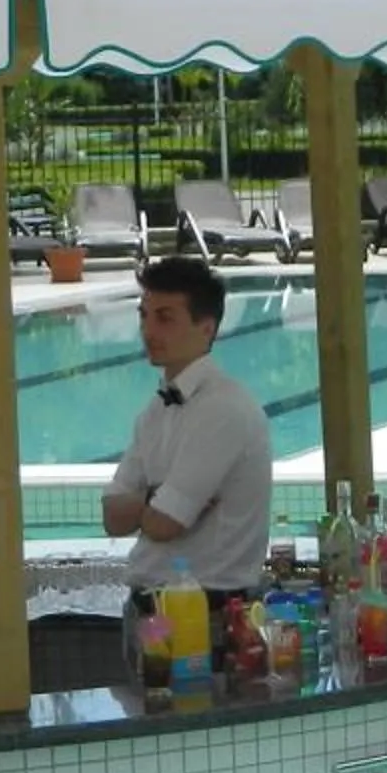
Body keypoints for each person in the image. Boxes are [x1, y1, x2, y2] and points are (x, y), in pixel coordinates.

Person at [105, 256, 274, 609]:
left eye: (165, 318)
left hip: (208, 610)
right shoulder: (155, 411)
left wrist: (147, 506)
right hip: (152, 607)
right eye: (144, 316)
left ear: (206, 328)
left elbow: (164, 525)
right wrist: (153, 501)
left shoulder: (223, 410)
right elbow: (111, 517)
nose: (149, 331)